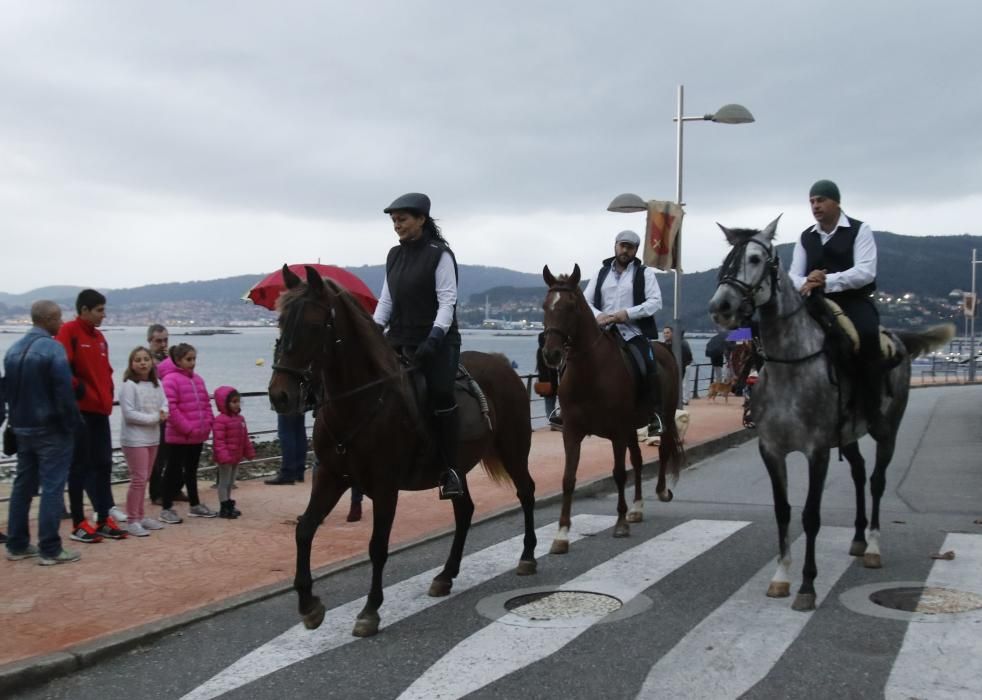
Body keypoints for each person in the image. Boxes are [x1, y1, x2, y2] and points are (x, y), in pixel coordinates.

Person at [373, 192, 463, 499]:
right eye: (394, 221)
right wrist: (373, 333)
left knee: (439, 393)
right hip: (399, 338)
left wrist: (434, 338)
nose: (397, 225)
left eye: (402, 219)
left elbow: (447, 302)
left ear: (421, 219)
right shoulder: (393, 255)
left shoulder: (440, 254)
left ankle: (451, 470)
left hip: (437, 340)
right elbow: (386, 302)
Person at [789, 179, 887, 439]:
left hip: (852, 300)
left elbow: (865, 271)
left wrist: (828, 280)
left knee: (867, 335)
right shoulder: (805, 237)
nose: (815, 206)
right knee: (774, 333)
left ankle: (872, 408)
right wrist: (807, 281)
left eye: (821, 200)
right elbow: (793, 276)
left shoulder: (859, 230)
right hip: (814, 301)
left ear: (836, 202)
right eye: (812, 201)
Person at [4, 300, 82, 565]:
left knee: (22, 486)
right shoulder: (52, 348)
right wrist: (73, 424)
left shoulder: (13, 350)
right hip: (51, 428)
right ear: (48, 319)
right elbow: (63, 392)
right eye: (59, 318)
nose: (61, 323)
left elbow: (8, 393)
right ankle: (50, 548)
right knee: (52, 487)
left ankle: (17, 543)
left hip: (22, 427)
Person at [56, 289, 127, 542]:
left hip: (100, 411)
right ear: (84, 310)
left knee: (104, 464)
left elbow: (106, 371)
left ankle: (102, 516)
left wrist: (107, 393)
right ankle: (78, 522)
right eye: (99, 310)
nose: (103, 315)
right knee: (79, 466)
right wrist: (82, 390)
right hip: (81, 411)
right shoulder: (69, 332)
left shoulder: (99, 338)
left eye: (103, 310)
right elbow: (62, 368)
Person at [583, 230, 665, 434]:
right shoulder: (600, 273)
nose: (625, 250)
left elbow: (655, 302)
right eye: (622, 245)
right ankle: (569, 407)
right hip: (602, 331)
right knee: (575, 358)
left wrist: (627, 313)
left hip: (632, 331)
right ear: (615, 246)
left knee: (648, 362)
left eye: (630, 247)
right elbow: (586, 300)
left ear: (636, 250)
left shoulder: (644, 273)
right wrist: (598, 315)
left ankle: (654, 413)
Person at [159, 343, 216, 522]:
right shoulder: (170, 380)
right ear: (178, 360)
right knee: (172, 471)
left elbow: (206, 403)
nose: (192, 363)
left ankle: (195, 504)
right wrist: (188, 428)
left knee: (191, 470)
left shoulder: (198, 380)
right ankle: (166, 507)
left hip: (196, 436)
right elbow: (172, 409)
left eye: (193, 359)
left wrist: (208, 423)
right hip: (178, 436)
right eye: (188, 359)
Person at [119, 346, 169, 537]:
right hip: (134, 439)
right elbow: (129, 414)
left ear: (151, 362)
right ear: (131, 364)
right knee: (138, 479)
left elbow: (165, 402)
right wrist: (155, 418)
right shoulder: (129, 386)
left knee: (145, 478)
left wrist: (164, 413)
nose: (142, 363)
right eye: (138, 360)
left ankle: (140, 515)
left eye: (145, 359)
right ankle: (132, 519)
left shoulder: (157, 384)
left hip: (152, 437)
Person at [212, 385, 254, 518]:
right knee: (224, 482)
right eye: (233, 402)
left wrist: (249, 452)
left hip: (236, 456)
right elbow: (219, 441)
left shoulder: (240, 419)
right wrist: (223, 456)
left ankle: (228, 502)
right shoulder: (220, 421)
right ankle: (224, 506)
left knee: (231, 482)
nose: (236, 405)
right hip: (226, 458)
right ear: (224, 403)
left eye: (238, 401)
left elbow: (244, 437)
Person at [265, 412, 307, 485]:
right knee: (299, 431)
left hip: (287, 405)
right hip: (301, 404)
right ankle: (298, 471)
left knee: (286, 432)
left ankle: (288, 473)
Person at [535, 331, 561, 429]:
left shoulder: (540, 351)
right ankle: (553, 422)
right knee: (551, 403)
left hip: (545, 381)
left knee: (549, 402)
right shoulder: (545, 352)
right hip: (550, 382)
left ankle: (552, 421)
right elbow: (550, 368)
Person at [661, 326, 693, 406]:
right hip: (677, 366)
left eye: (667, 333)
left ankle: (684, 400)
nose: (666, 335)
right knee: (680, 384)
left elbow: (687, 355)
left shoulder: (680, 343)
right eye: (664, 333)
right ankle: (679, 398)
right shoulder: (666, 344)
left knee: (684, 384)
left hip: (684, 365)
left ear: (672, 333)